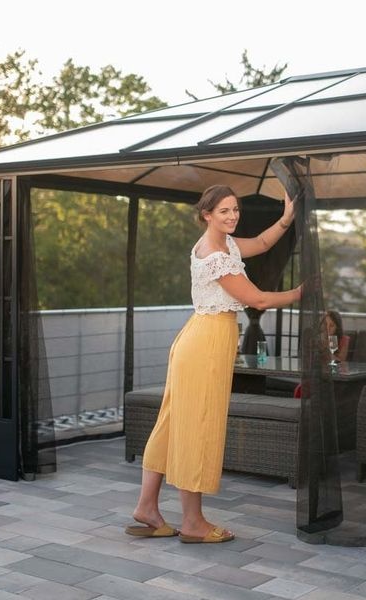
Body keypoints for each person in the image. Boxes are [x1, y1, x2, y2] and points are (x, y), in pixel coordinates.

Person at [126, 184, 301, 543]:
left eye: (235, 209)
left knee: (172, 423)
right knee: (199, 426)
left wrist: (286, 219)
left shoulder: (226, 244)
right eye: (224, 211)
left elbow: (262, 243)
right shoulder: (215, 254)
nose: (232, 216)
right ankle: (193, 522)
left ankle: (147, 507)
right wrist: (302, 293)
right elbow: (258, 300)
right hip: (205, 344)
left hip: (199, 337)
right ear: (207, 215)